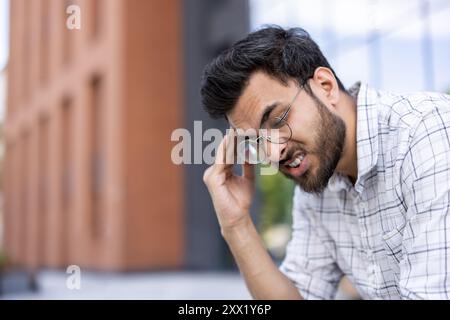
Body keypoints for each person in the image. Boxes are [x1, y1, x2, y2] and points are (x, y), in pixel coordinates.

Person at [200, 26, 450, 299]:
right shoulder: (318, 181)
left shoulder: (427, 132)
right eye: (256, 141)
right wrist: (236, 224)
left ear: (325, 87)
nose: (273, 153)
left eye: (278, 121)